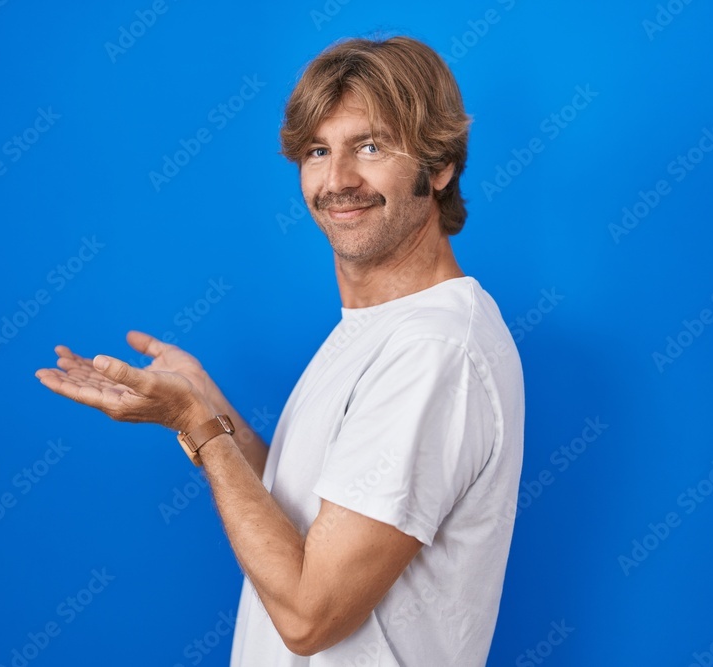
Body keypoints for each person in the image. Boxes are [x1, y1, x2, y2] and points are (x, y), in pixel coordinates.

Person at [35, 35, 524, 666]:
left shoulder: (433, 351)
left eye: (370, 147)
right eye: (318, 151)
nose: (338, 180)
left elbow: (309, 614)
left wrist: (198, 429)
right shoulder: (377, 329)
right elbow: (309, 524)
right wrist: (215, 415)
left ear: (439, 165)